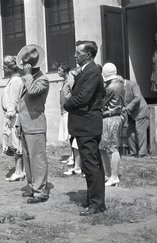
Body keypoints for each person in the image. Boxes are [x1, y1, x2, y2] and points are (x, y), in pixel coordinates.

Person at [64, 40, 106, 216]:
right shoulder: (85, 71)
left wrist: (67, 104)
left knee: (91, 165)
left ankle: (96, 204)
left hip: (88, 125)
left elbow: (82, 98)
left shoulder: (93, 72)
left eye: (78, 53)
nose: (75, 56)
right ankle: (94, 200)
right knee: (91, 164)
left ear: (88, 55)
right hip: (83, 125)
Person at [15, 44, 51, 204]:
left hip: (36, 126)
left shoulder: (42, 79)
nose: (24, 67)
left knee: (38, 160)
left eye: (26, 64)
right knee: (28, 159)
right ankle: (32, 187)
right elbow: (22, 104)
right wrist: (18, 125)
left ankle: (40, 192)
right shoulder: (28, 78)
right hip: (26, 125)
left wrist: (28, 75)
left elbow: (32, 91)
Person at [100, 63, 125, 187]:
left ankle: (114, 176)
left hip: (110, 117)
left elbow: (101, 102)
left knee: (113, 147)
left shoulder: (111, 87)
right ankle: (109, 174)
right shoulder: (120, 83)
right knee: (103, 147)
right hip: (114, 116)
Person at [1, 55, 25, 182]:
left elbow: (14, 99)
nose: (3, 68)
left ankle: (19, 171)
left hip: (14, 117)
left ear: (11, 68)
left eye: (5, 66)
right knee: (15, 143)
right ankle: (21, 170)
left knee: (16, 143)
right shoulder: (13, 79)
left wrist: (9, 115)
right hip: (12, 116)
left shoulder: (16, 81)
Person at [58, 63, 82, 176]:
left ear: (64, 70)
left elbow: (73, 94)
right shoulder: (65, 81)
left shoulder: (71, 81)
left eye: (59, 70)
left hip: (69, 111)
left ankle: (75, 160)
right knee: (69, 136)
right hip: (64, 110)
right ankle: (72, 157)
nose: (58, 72)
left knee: (72, 136)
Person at [121, 68, 150, 158]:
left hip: (140, 111)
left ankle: (142, 153)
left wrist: (128, 107)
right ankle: (133, 152)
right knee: (130, 132)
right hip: (130, 113)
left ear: (121, 82)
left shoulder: (133, 84)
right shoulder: (119, 88)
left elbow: (137, 98)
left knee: (140, 132)